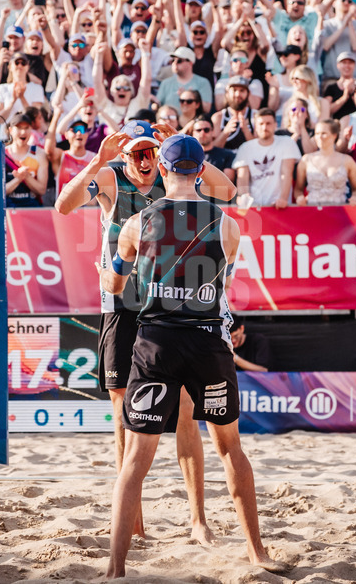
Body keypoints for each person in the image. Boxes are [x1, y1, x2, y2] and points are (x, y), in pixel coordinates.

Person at [98, 133, 284, 578]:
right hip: (206, 343)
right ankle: (257, 554)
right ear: (200, 170)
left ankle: (115, 567)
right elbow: (223, 286)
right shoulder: (227, 225)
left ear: (161, 169)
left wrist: (114, 267)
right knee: (230, 450)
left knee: (136, 459)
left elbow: (114, 288)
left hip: (156, 341)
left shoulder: (136, 223)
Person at [56, 121, 235, 544]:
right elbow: (64, 206)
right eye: (136, 151)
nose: (143, 158)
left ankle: (198, 521)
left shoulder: (176, 180)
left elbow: (226, 192)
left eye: (150, 151)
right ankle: (133, 521)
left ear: (161, 155)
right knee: (123, 414)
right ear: (124, 155)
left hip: (168, 307)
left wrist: (183, 147)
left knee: (187, 412)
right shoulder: (109, 177)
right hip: (121, 303)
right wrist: (96, 161)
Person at [233, 109, 302, 208]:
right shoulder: (245, 148)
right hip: (254, 208)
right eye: (261, 124)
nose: (264, 127)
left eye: (268, 123)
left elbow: (286, 173)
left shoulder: (287, 143)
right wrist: (244, 197)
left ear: (275, 125)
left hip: (280, 207)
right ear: (256, 127)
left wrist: (283, 199)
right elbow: (242, 178)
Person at [295, 119, 356, 206]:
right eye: (317, 134)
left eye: (324, 133)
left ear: (334, 135)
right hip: (313, 211)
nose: (319, 137)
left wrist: (355, 198)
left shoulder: (347, 161)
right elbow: (298, 189)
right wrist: (299, 198)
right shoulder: (306, 160)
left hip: (339, 212)